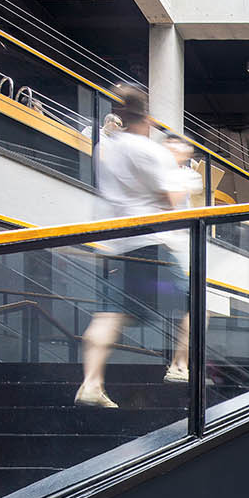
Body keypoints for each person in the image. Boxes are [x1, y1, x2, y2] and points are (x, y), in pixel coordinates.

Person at [78, 83, 195, 407]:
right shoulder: (149, 151)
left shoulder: (105, 148)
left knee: (110, 314)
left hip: (117, 246)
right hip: (150, 244)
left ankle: (91, 384)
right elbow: (172, 201)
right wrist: (179, 174)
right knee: (195, 306)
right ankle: (179, 366)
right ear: (148, 119)